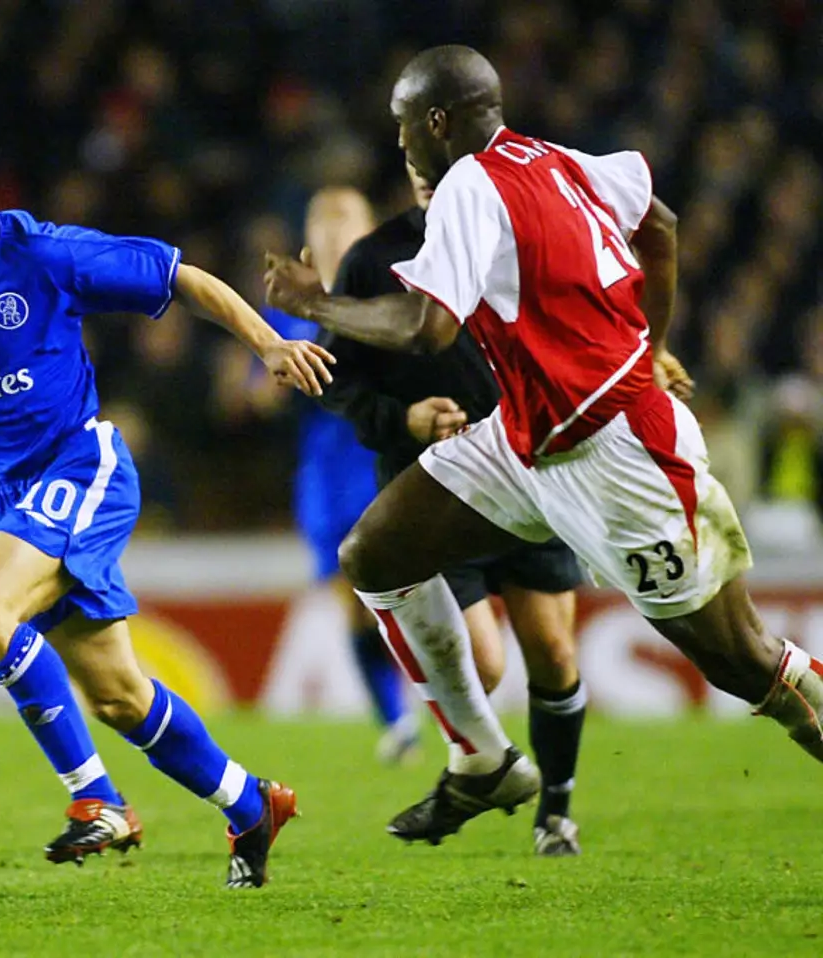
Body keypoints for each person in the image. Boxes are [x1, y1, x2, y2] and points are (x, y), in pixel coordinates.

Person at [263, 45, 823, 847]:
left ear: (435, 121)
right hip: (525, 439)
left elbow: (428, 327)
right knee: (376, 554)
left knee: (742, 659)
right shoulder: (557, 158)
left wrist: (321, 306)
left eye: (401, 127)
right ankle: (482, 759)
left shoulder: (466, 184)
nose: (398, 145)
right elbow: (658, 224)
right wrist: (652, 338)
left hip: (619, 454)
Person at [0, 103, 334, 887]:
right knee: (116, 695)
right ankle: (250, 803)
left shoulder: (45, 253)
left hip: (80, 468)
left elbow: (183, 277)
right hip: (7, 498)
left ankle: (96, 801)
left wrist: (271, 343)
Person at [318, 162, 588, 856]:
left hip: (529, 469)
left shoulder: (525, 237)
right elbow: (338, 383)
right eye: (411, 160)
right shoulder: (373, 260)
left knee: (553, 653)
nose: (427, 173)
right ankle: (483, 767)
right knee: (483, 663)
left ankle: (555, 810)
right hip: (432, 489)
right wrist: (403, 419)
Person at [261, 187, 421, 765]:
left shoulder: (401, 285)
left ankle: (447, 704)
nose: (332, 231)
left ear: (370, 226)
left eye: (344, 219)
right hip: (329, 478)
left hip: (400, 461)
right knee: (357, 603)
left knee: (425, 589)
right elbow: (262, 389)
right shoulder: (285, 305)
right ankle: (398, 721)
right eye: (320, 221)